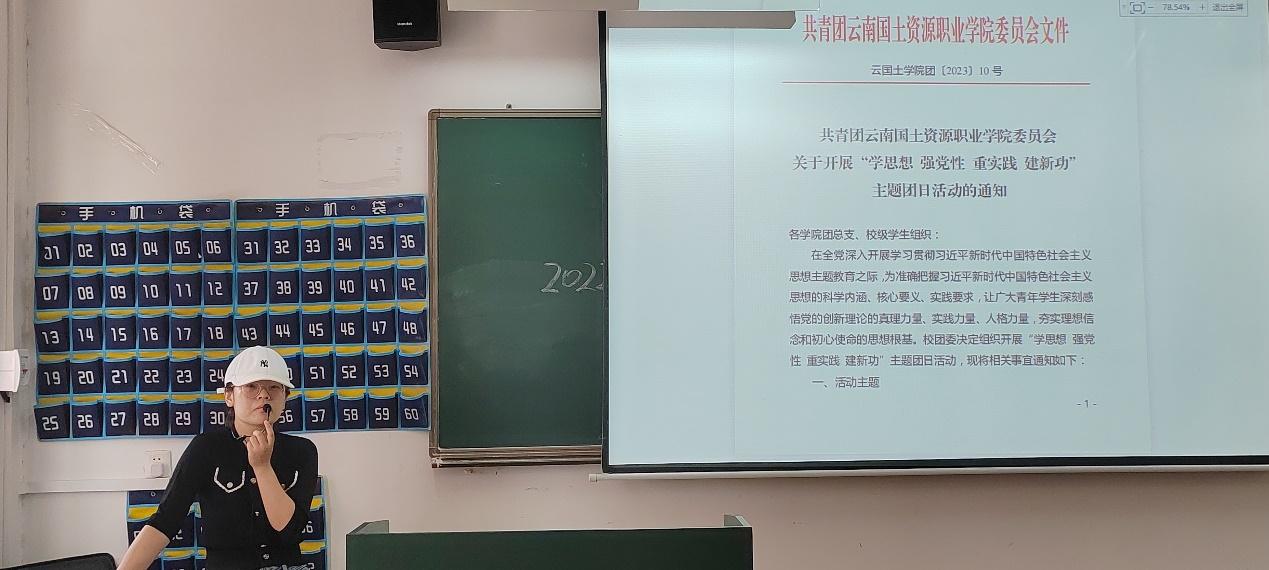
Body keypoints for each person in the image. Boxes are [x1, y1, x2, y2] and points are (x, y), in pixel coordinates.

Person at [118, 346, 319, 570]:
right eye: (251, 387)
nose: (264, 395)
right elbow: (166, 520)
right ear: (229, 396)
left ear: (285, 397)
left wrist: (262, 467)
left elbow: (290, 529)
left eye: (274, 387)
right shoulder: (206, 448)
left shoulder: (303, 451)